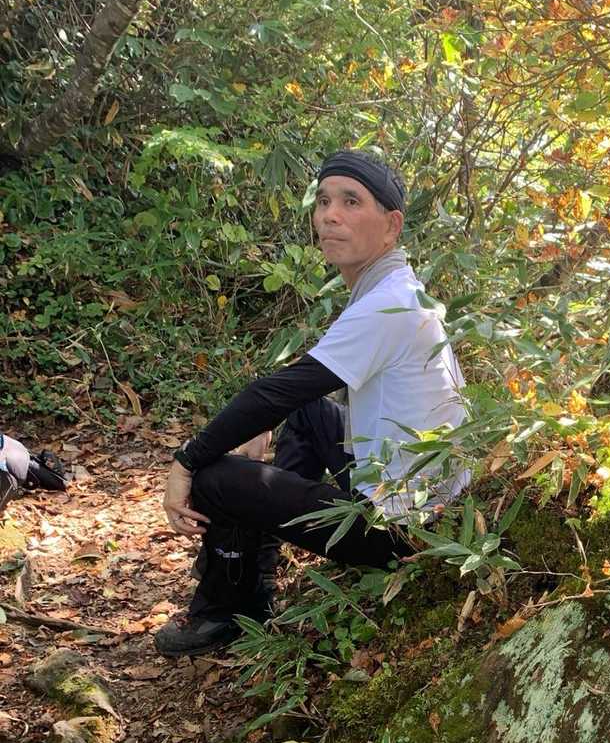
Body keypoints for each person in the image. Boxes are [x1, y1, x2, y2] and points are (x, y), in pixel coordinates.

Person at [156, 149, 468, 658]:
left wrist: (186, 460)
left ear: (392, 226)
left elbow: (278, 391)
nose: (330, 215)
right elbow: (299, 390)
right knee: (305, 412)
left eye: (351, 202)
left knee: (214, 477)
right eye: (324, 201)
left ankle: (224, 613)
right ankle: (254, 571)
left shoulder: (389, 304)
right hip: (425, 502)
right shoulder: (394, 288)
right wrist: (263, 422)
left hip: (400, 530)